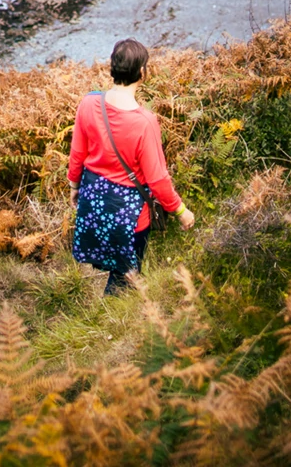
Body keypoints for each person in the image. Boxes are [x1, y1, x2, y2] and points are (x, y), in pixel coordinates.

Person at [67, 38, 195, 294]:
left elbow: (77, 152)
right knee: (126, 275)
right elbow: (157, 178)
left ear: (111, 67)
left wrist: (74, 186)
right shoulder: (144, 122)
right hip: (130, 213)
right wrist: (181, 211)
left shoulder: (89, 104)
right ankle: (115, 317)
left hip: (94, 200)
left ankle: (116, 305)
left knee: (116, 267)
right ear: (142, 72)